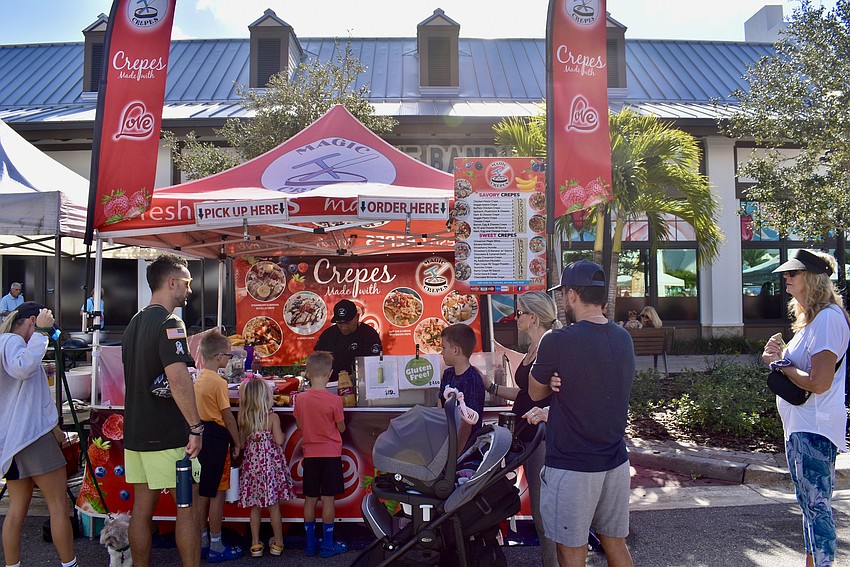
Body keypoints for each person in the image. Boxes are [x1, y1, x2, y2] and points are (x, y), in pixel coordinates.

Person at [529, 260, 635, 567]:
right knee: (615, 542)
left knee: (571, 550)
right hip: (615, 459)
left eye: (563, 293)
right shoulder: (623, 338)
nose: (562, 300)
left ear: (572, 294)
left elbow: (535, 393)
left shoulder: (558, 340)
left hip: (572, 465)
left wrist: (549, 381)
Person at [762, 249, 850, 567]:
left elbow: (819, 382)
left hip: (813, 427)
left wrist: (779, 363)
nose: (786, 277)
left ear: (811, 279)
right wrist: (782, 356)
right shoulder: (816, 320)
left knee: (817, 507)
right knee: (809, 505)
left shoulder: (827, 319)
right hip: (803, 425)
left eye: (793, 273)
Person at [122, 253, 202, 567]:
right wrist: (195, 426)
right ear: (171, 283)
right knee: (188, 508)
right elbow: (178, 377)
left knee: (142, 511)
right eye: (186, 283)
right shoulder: (171, 322)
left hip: (137, 433)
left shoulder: (134, 322)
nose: (190, 291)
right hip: (169, 436)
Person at [482, 290, 561, 566]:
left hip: (542, 437)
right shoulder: (532, 348)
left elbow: (562, 393)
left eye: (519, 313)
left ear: (533, 317)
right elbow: (525, 393)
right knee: (541, 508)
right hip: (526, 435)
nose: (514, 318)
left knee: (544, 511)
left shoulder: (550, 347)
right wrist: (491, 387)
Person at [0, 302, 78, 567]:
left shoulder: (11, 343)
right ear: (33, 320)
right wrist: (42, 335)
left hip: (17, 439)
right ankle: (70, 564)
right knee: (58, 506)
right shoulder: (11, 342)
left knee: (17, 509)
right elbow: (22, 368)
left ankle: (13, 565)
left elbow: (24, 395)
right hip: (32, 437)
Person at [294, 351, 348, 558]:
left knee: (310, 499)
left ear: (307, 373)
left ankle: (310, 544)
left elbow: (299, 425)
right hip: (331, 454)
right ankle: (327, 544)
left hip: (310, 454)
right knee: (327, 499)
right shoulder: (335, 400)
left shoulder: (300, 399)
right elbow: (341, 428)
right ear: (330, 374)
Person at [194, 330, 243, 563]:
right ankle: (216, 544)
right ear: (218, 356)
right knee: (217, 495)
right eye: (229, 355)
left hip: (201, 435)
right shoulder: (219, 382)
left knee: (203, 491)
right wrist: (237, 441)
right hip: (217, 436)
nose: (230, 359)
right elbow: (228, 417)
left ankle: (202, 540)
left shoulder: (199, 378)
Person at [237, 377, 295, 558]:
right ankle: (278, 543)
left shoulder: (243, 418)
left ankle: (255, 544)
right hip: (270, 469)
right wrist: (283, 435)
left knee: (254, 507)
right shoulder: (272, 417)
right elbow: (278, 440)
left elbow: (241, 443)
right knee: (274, 507)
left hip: (252, 469)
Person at [314, 299, 382, 382]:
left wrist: (349, 378)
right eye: (339, 323)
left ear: (357, 317)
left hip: (362, 383)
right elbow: (317, 361)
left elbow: (375, 364)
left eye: (348, 323)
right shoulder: (328, 335)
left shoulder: (369, 334)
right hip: (331, 385)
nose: (343, 327)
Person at [437, 323, 485, 438]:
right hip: (446, 437)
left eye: (444, 347)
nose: (441, 352)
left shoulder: (473, 380)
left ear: (455, 350)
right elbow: (440, 404)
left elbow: (469, 422)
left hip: (466, 444)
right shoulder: (448, 374)